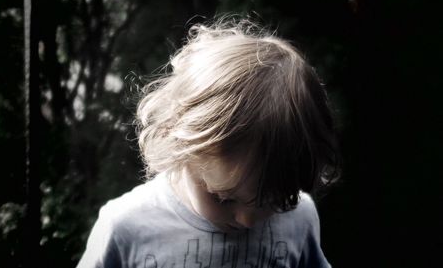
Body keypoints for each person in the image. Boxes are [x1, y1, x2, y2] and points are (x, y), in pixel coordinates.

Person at [76, 17, 341, 268]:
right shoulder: (127, 226)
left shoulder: (300, 216)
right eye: (223, 199)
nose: (247, 220)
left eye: (272, 200)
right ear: (177, 147)